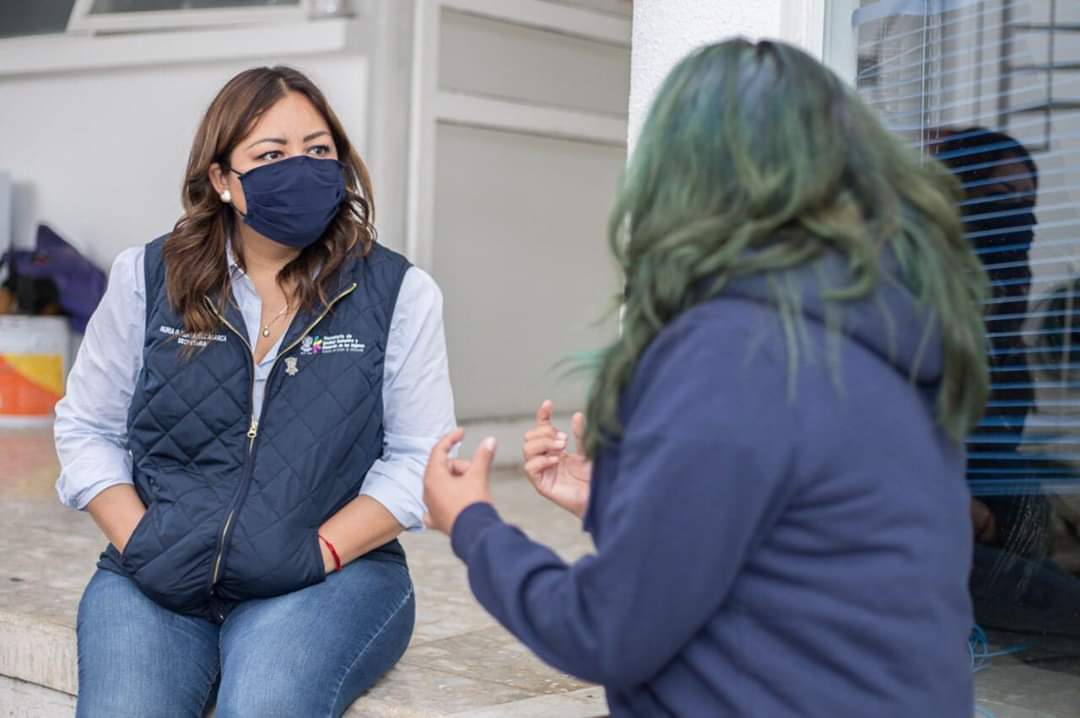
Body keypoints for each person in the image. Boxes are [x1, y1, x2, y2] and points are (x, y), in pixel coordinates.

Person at [422, 39, 989, 717]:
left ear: (683, 177)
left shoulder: (737, 352)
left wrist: (475, 526)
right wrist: (620, 500)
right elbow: (798, 555)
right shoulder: (875, 333)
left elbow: (605, 631)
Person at [54, 66, 455, 717]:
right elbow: (88, 429)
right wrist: (141, 541)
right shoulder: (147, 278)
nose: (301, 169)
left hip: (329, 576)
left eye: (319, 151)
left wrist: (319, 550)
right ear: (222, 180)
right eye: (270, 155)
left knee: (265, 704)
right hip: (156, 573)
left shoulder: (397, 293)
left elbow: (420, 458)